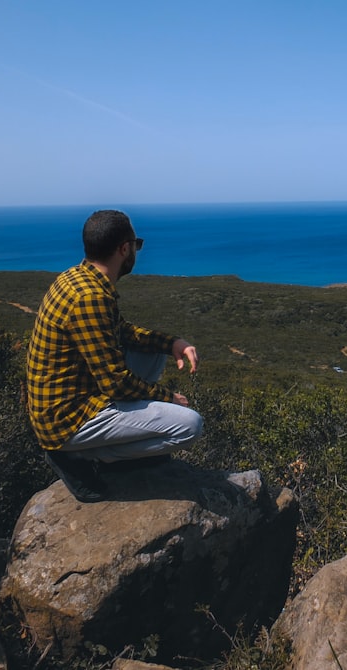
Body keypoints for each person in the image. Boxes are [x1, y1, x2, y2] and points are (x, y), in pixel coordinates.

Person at [26, 209, 204, 502]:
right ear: (124, 248)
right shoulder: (90, 298)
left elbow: (122, 333)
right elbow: (115, 383)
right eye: (136, 245)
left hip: (66, 398)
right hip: (67, 419)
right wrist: (167, 397)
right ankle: (84, 458)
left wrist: (172, 343)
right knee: (190, 426)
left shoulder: (77, 277)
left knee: (154, 352)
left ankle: (118, 448)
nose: (136, 250)